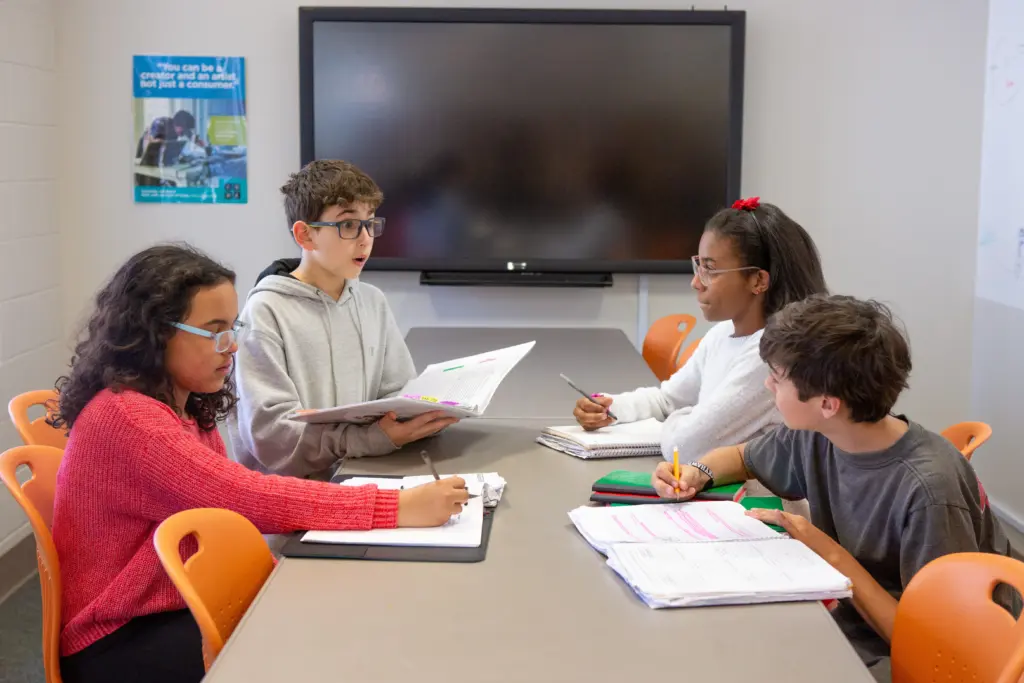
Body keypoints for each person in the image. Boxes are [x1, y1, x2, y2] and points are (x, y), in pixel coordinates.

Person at [51, 245, 469, 683]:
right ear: (155, 333)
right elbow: (243, 497)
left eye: (233, 328)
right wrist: (398, 507)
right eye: (214, 332)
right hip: (120, 636)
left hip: (175, 599)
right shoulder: (129, 418)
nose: (231, 347)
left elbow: (230, 504)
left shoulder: (182, 403)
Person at [652, 295, 1018, 676]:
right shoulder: (821, 433)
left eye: (777, 378)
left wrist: (829, 554)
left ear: (827, 403)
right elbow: (743, 458)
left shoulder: (928, 492)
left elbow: (939, 645)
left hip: (926, 655)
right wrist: (697, 471)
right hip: (850, 615)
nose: (767, 384)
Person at [227, 160, 456, 479]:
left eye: (371, 224)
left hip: (364, 475)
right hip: (292, 504)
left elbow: (397, 393)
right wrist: (373, 437)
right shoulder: (265, 313)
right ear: (305, 235)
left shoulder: (371, 301)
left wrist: (420, 415)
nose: (365, 239)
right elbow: (273, 438)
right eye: (349, 225)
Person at [574, 197, 828, 461]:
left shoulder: (769, 355)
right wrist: (612, 408)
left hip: (747, 498)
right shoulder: (723, 333)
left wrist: (689, 417)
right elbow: (668, 400)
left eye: (710, 270)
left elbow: (686, 448)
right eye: (699, 265)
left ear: (758, 280)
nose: (696, 282)